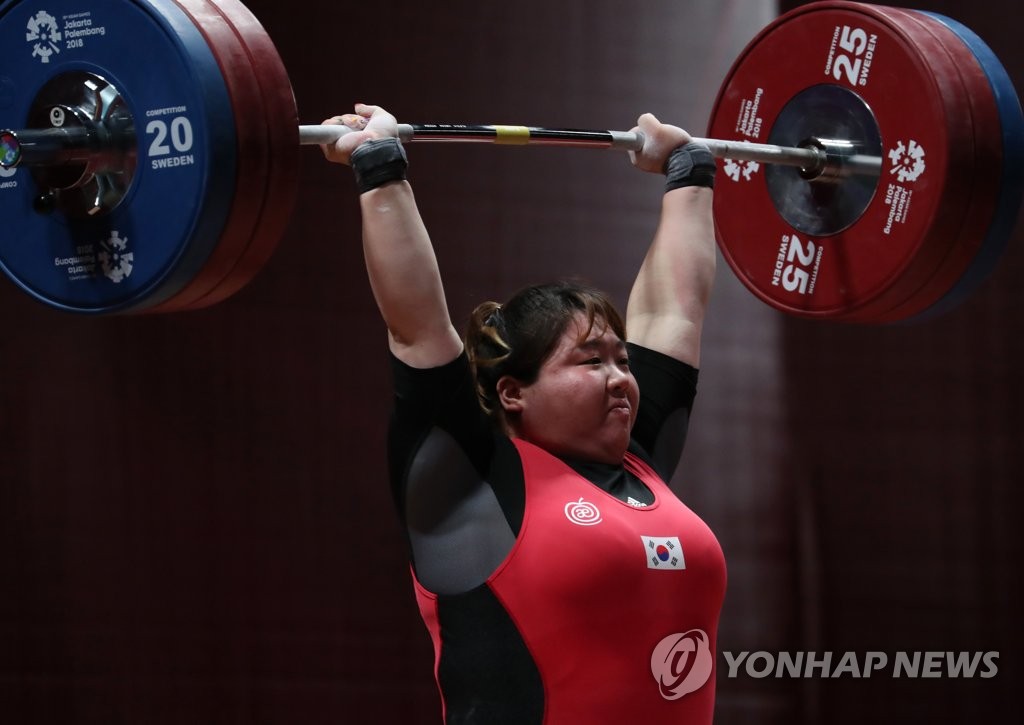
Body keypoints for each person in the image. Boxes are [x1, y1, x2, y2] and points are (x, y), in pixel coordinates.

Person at [321, 104, 726, 724]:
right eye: (590, 362)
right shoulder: (470, 483)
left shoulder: (636, 459)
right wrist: (379, 167)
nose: (621, 377)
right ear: (513, 391)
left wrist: (687, 169)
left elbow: (675, 310)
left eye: (623, 359)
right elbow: (416, 326)